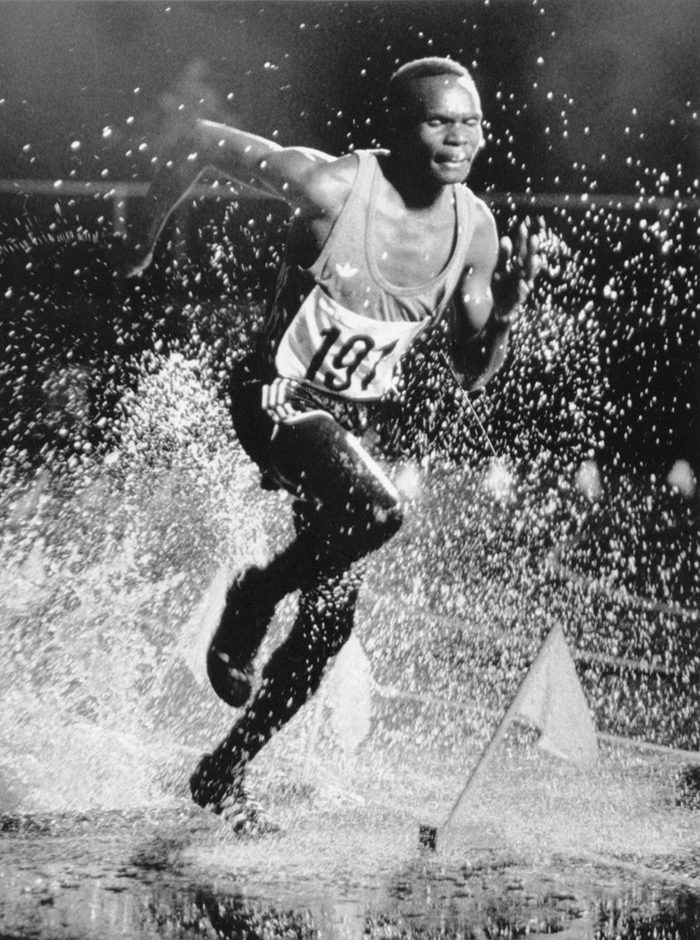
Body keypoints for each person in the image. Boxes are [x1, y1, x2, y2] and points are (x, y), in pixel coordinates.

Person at [130, 56, 540, 831]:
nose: (459, 139)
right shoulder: (330, 187)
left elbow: (470, 367)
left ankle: (225, 769)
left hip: (342, 427)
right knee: (382, 511)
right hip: (274, 396)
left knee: (326, 630)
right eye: (438, 121)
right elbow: (192, 143)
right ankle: (252, 596)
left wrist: (508, 313)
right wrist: (144, 239)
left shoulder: (476, 229)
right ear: (398, 128)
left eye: (472, 123)